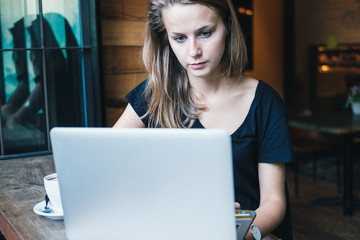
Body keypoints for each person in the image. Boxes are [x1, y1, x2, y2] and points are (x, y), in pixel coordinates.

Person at [114, 0, 294, 239]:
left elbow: (274, 202)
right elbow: (110, 161)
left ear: (228, 26)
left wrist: (236, 232)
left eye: (205, 33)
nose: (193, 51)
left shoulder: (265, 101)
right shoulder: (154, 94)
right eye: (179, 38)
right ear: (165, 38)